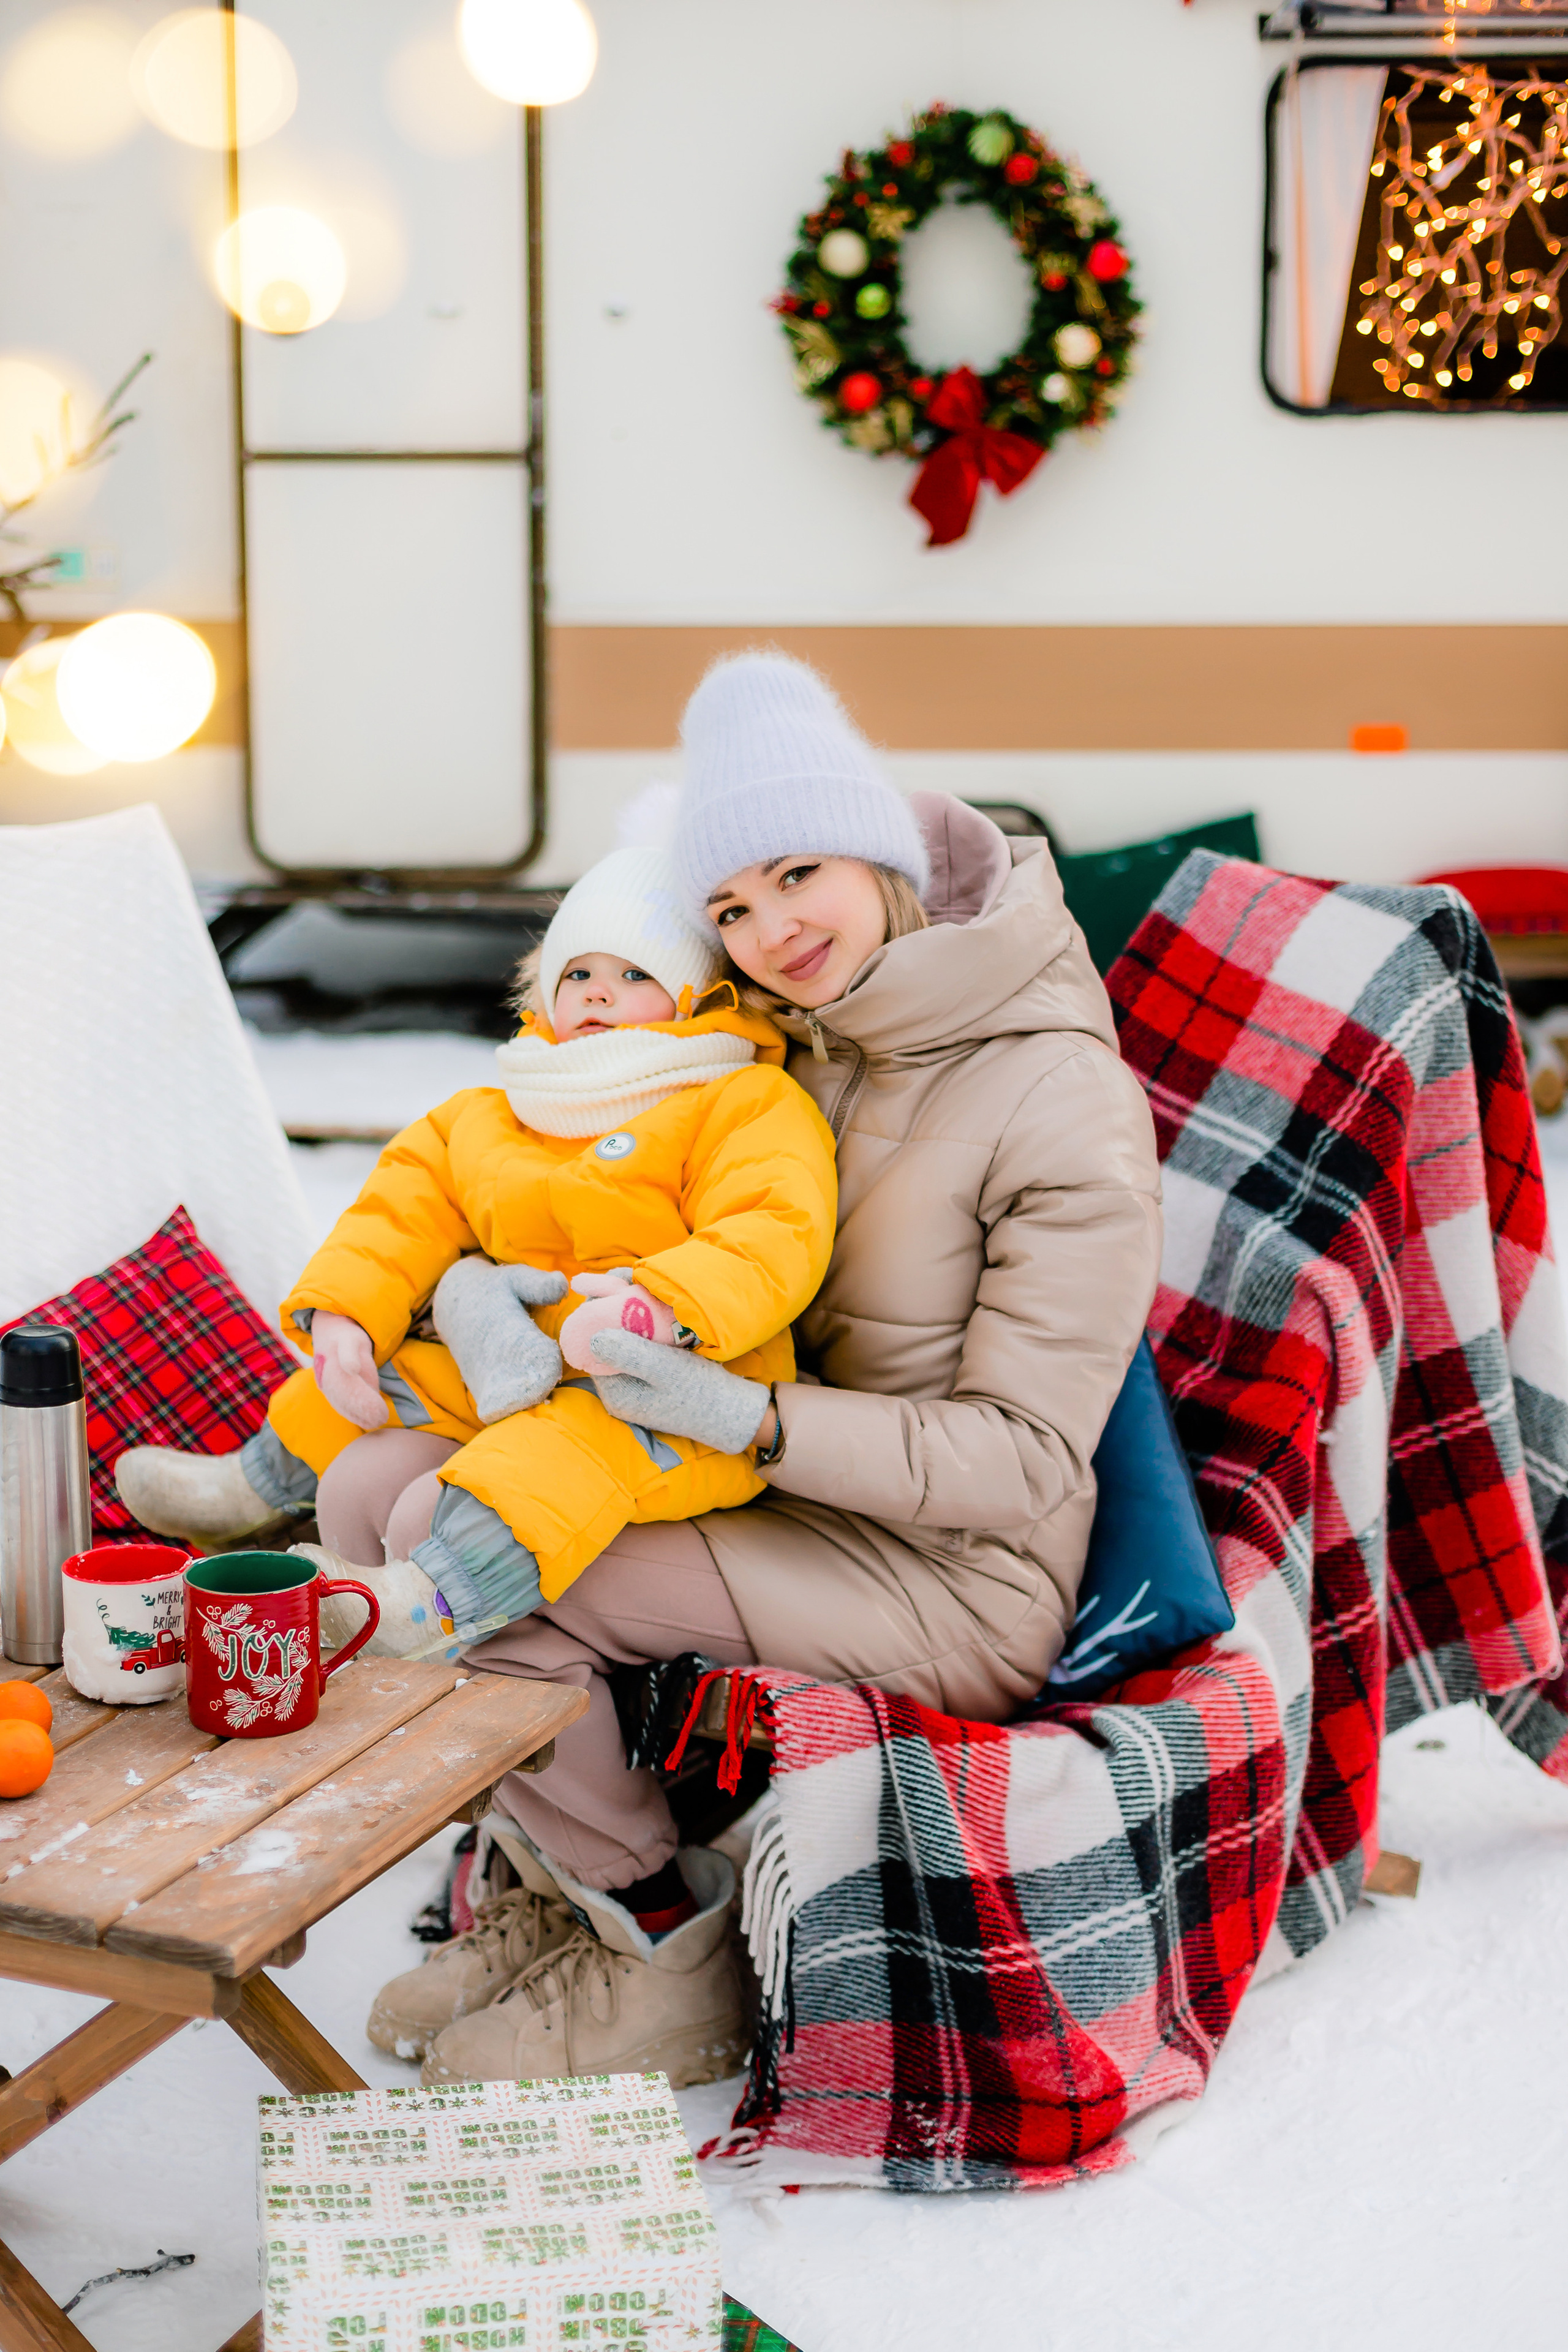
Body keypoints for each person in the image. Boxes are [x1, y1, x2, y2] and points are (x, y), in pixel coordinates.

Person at [373, 651, 1164, 2093]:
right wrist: (496, 1281)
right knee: (383, 1479)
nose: (768, 930)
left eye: (795, 872)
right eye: (728, 906)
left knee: (467, 1551)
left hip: (951, 1569)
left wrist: (741, 1412)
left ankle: (666, 1948)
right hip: (766, 1484)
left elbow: (1024, 1460)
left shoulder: (1058, 1096)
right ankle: (561, 1893)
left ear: (873, 855)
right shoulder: (811, 1033)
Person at [115, 843, 838, 1668]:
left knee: (552, 1464)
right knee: (380, 1382)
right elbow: (401, 1210)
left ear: (696, 996)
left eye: (636, 975)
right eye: (578, 974)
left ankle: (433, 1599)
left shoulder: (739, 1101)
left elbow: (773, 1225)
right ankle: (249, 1491)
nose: (600, 991)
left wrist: (667, 1306)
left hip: (660, 1387)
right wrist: (349, 1312)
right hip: (505, 1360)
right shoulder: (494, 1110)